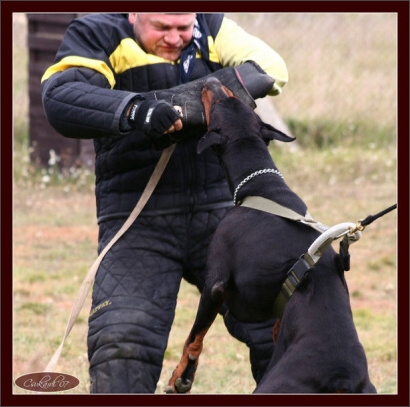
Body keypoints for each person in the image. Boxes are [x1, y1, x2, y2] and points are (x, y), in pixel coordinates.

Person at [41, 12, 288, 393]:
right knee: (122, 344)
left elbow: (270, 70)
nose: (175, 38)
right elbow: (61, 96)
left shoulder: (212, 26)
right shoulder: (99, 32)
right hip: (138, 219)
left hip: (222, 216)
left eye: (182, 27)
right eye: (161, 27)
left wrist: (180, 106)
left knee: (285, 327)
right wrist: (135, 110)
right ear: (134, 13)